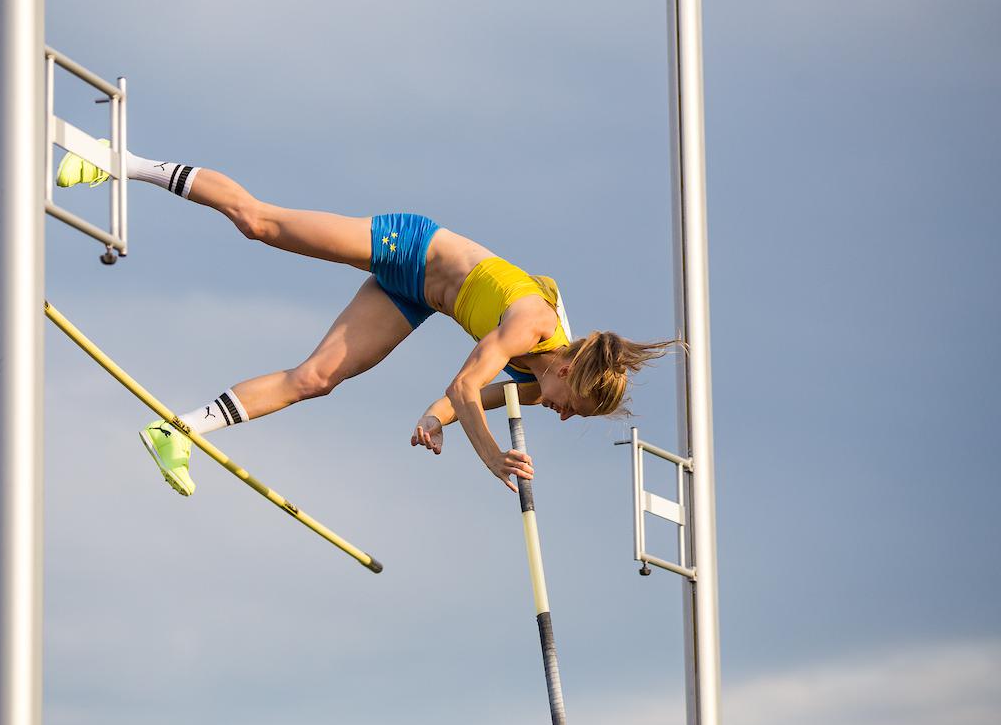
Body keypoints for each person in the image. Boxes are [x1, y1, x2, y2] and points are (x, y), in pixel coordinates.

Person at [56, 148, 673, 495]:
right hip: (411, 248)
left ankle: (178, 431)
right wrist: (491, 458)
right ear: (568, 368)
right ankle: (115, 161)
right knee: (259, 223)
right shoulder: (532, 326)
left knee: (316, 379)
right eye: (573, 406)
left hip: (417, 299)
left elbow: (466, 400)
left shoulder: (541, 381)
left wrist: (433, 421)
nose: (562, 414)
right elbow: (466, 385)